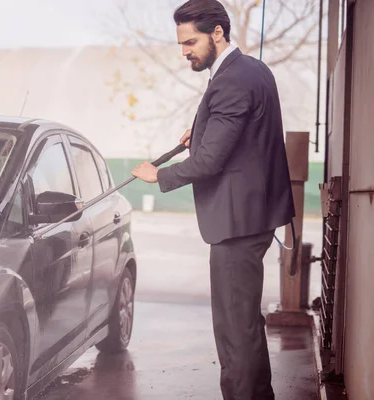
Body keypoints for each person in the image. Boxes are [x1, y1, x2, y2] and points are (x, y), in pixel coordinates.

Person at [131, 0, 295, 399]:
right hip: (252, 216)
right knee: (244, 324)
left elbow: (209, 161)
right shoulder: (251, 69)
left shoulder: (232, 80)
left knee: (234, 331)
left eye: (190, 42)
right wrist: (200, 130)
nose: (184, 51)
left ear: (217, 33)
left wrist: (160, 175)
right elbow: (240, 138)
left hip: (237, 223)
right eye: (181, 43)